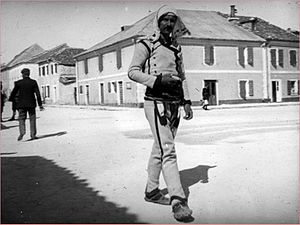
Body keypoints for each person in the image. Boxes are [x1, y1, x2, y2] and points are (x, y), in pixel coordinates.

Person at [128, 5, 193, 222]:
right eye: (164, 19)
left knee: (160, 147)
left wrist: (186, 101)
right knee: (169, 150)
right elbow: (133, 72)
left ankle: (152, 191)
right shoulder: (146, 43)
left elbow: (182, 76)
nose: (168, 24)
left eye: (172, 20)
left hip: (175, 104)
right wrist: (157, 80)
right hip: (156, 103)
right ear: (158, 21)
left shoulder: (177, 47)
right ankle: (178, 200)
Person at [9, 68, 44, 141]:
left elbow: (13, 92)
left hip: (21, 104)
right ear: (29, 74)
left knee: (21, 118)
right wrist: (40, 105)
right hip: (31, 104)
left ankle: (22, 132)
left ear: (22, 74)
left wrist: (11, 100)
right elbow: (37, 94)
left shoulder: (18, 83)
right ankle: (33, 135)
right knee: (32, 119)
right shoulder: (33, 82)